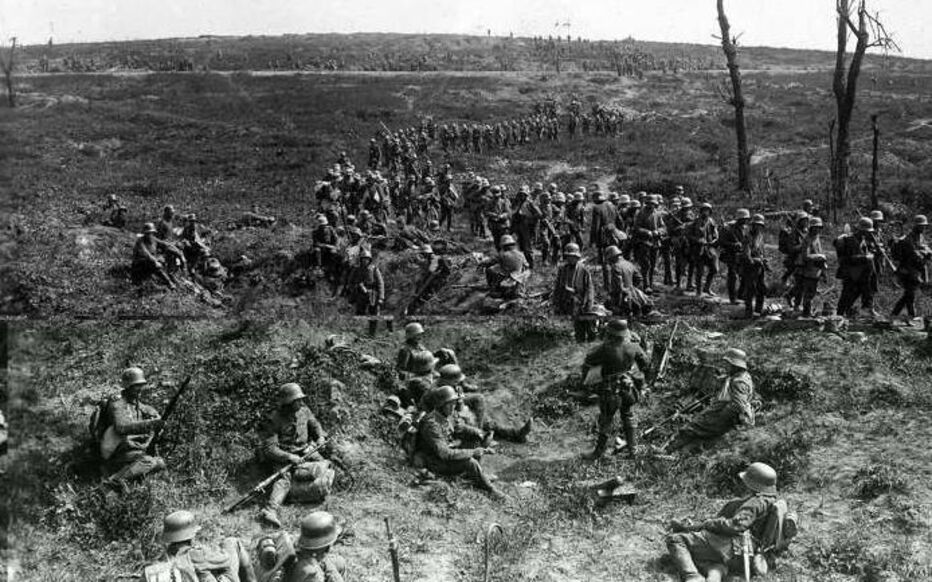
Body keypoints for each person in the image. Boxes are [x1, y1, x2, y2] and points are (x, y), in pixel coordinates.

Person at [665, 463, 779, 582]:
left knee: (676, 539)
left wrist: (710, 523)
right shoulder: (770, 500)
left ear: (752, 483)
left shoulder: (755, 503)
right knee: (705, 551)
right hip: (750, 554)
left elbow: (736, 525)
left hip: (736, 549)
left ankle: (693, 577)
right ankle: (716, 571)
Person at [257, 383, 331, 528]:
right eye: (297, 400)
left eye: (301, 399)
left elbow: (315, 424)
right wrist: (289, 457)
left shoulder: (304, 410)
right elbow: (269, 449)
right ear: (288, 402)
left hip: (304, 450)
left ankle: (306, 492)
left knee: (323, 465)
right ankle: (269, 511)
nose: (301, 402)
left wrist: (320, 437)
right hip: (284, 455)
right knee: (284, 479)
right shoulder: (274, 419)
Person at [414, 385, 503, 499]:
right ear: (441, 405)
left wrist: (481, 434)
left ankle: (475, 475)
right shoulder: (432, 425)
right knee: (470, 462)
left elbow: (460, 427)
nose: (453, 407)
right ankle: (491, 490)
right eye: (450, 404)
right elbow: (445, 454)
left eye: (454, 403)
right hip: (434, 461)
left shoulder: (446, 415)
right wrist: (473, 452)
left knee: (474, 438)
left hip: (447, 452)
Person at [580, 320, 650, 460]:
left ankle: (598, 453)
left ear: (610, 333)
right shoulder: (633, 347)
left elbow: (588, 361)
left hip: (610, 390)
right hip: (628, 388)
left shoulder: (604, 349)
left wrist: (588, 382)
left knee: (606, 420)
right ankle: (633, 451)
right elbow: (646, 364)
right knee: (628, 415)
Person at [668, 348, 757, 451]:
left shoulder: (739, 382)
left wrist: (718, 418)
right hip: (723, 411)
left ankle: (667, 450)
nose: (725, 366)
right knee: (696, 424)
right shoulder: (742, 376)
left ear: (735, 365)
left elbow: (737, 405)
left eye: (728, 364)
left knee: (691, 428)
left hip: (725, 417)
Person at [424, 364, 533, 444]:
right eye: (455, 381)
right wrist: (462, 409)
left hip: (452, 405)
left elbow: (460, 390)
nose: (458, 383)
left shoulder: (448, 384)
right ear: (447, 380)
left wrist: (461, 398)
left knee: (483, 410)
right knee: (478, 412)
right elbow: (443, 411)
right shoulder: (436, 392)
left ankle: (516, 433)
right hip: (442, 413)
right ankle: (481, 434)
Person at [145, 510, 257, 582]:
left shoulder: (159, 563)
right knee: (231, 542)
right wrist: (207, 550)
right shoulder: (197, 554)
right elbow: (225, 560)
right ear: (190, 535)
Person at [101, 367, 167, 487]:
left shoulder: (136, 403)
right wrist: (150, 425)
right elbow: (121, 428)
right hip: (120, 451)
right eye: (137, 385)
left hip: (136, 449)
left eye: (142, 385)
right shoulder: (117, 403)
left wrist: (156, 418)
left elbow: (148, 411)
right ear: (128, 386)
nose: (140, 389)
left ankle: (132, 486)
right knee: (148, 461)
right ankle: (113, 481)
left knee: (160, 463)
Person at [256, 511, 346, 582]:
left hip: (288, 573)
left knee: (339, 562)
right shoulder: (313, 575)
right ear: (327, 547)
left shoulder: (290, 542)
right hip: (300, 575)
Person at [835, 217, 880, 318]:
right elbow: (847, 259)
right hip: (851, 273)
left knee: (861, 293)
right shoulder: (850, 241)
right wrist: (865, 258)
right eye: (866, 231)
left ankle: (851, 313)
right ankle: (839, 315)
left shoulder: (863, 241)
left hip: (861, 274)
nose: (869, 233)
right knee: (846, 295)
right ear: (861, 230)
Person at [891, 215, 931, 324]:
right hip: (908, 270)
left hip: (917, 269)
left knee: (908, 295)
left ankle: (895, 314)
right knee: (910, 294)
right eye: (921, 226)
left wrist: (926, 252)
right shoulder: (908, 239)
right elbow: (915, 255)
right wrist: (924, 253)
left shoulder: (920, 237)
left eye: (924, 226)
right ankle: (911, 316)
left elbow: (926, 249)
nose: (923, 228)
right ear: (916, 226)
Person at [553, 243, 596, 343]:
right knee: (576, 323)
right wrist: (556, 300)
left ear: (577, 257)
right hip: (568, 300)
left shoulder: (584, 270)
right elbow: (558, 285)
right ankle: (579, 340)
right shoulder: (563, 269)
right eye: (568, 257)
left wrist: (588, 303)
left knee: (586, 322)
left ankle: (589, 340)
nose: (570, 259)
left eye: (572, 257)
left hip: (581, 300)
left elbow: (589, 288)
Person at [603, 245, 652, 317]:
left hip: (621, 298)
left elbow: (618, 287)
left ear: (612, 257)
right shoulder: (629, 264)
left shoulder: (616, 267)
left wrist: (622, 292)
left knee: (607, 307)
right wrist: (632, 289)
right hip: (632, 295)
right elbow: (639, 279)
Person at [132, 223, 184, 289]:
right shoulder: (140, 241)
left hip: (150, 262)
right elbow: (146, 253)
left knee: (166, 256)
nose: (149, 235)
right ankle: (169, 282)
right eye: (148, 233)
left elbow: (164, 244)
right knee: (153, 263)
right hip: (140, 264)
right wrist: (155, 261)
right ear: (144, 233)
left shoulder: (153, 239)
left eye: (151, 233)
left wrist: (177, 251)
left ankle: (170, 274)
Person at [346, 249, 385, 335]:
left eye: (367, 259)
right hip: (360, 294)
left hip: (372, 294)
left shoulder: (374, 269)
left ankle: (372, 334)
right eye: (363, 259)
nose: (365, 260)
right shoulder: (356, 269)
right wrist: (355, 288)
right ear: (361, 259)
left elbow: (380, 283)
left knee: (374, 314)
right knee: (359, 315)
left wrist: (381, 297)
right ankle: (358, 333)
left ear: (369, 259)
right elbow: (350, 282)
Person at [796, 217, 828, 317]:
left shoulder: (816, 238)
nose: (818, 229)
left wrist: (823, 269)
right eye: (816, 227)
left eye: (819, 227)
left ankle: (808, 312)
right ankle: (806, 313)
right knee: (808, 293)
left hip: (816, 270)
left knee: (813, 292)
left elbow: (820, 252)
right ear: (812, 228)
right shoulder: (807, 239)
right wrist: (819, 257)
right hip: (808, 270)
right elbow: (805, 256)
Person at [632, 195, 665, 290]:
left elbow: (663, 227)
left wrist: (658, 232)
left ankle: (650, 284)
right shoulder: (640, 213)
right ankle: (646, 285)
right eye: (649, 203)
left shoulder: (657, 214)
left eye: (653, 204)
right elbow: (636, 228)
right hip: (643, 242)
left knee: (653, 264)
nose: (651, 205)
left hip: (655, 242)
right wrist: (647, 232)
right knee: (645, 264)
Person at [739, 214, 768, 318]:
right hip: (750, 268)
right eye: (757, 225)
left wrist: (764, 260)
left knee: (761, 290)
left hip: (760, 268)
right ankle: (748, 313)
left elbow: (762, 252)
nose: (758, 227)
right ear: (753, 225)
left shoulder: (760, 237)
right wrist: (757, 260)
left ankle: (758, 312)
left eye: (760, 225)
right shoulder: (747, 237)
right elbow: (747, 256)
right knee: (750, 291)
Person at [687, 203, 719, 296]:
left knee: (714, 269)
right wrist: (697, 240)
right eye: (704, 210)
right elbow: (689, 235)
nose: (706, 212)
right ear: (701, 211)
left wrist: (714, 240)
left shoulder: (711, 222)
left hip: (709, 249)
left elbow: (715, 234)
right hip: (698, 249)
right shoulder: (695, 222)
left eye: (708, 210)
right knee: (700, 271)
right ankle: (699, 291)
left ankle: (707, 287)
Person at [719, 209, 749, 305]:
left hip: (743, 256)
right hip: (731, 255)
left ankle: (741, 296)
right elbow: (722, 242)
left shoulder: (746, 228)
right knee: (733, 277)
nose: (745, 221)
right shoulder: (728, 228)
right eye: (743, 219)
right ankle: (732, 298)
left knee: (745, 276)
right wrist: (733, 244)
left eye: (746, 219)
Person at [512, 185, 542, 268]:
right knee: (521, 247)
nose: (522, 196)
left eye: (524, 195)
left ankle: (531, 265)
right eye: (520, 194)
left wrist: (529, 218)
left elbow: (539, 215)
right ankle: (523, 264)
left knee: (528, 248)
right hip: (519, 227)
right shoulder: (517, 203)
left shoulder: (530, 204)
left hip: (528, 228)